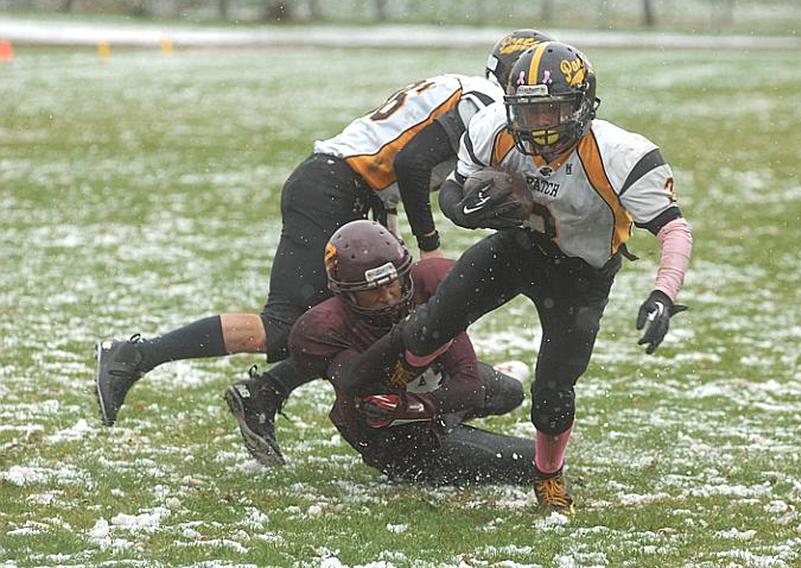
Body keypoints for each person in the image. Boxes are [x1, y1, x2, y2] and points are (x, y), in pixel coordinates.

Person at [94, 29, 553, 428]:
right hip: (335, 187)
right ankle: (138, 357)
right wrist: (428, 245)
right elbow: (413, 162)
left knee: (357, 326)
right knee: (285, 326)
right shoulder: (486, 103)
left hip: (355, 192)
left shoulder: (464, 89)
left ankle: (266, 392)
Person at [393, 41, 694, 512]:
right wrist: (467, 212)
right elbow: (454, 190)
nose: (540, 124)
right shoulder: (494, 128)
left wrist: (663, 292)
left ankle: (547, 477)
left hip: (581, 275)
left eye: (552, 109)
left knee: (553, 389)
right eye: (528, 111)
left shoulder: (621, 154)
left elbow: (673, 229)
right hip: (519, 247)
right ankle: (393, 390)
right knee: (435, 321)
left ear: (581, 106)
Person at [229, 219, 538, 483]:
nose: (388, 296)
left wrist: (416, 406)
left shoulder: (428, 282)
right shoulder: (325, 327)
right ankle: (453, 440)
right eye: (372, 291)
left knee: (510, 391)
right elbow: (353, 380)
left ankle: (460, 419)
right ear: (347, 294)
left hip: (428, 394)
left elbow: (469, 386)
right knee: (536, 463)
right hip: (398, 440)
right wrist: (401, 335)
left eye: (393, 283)